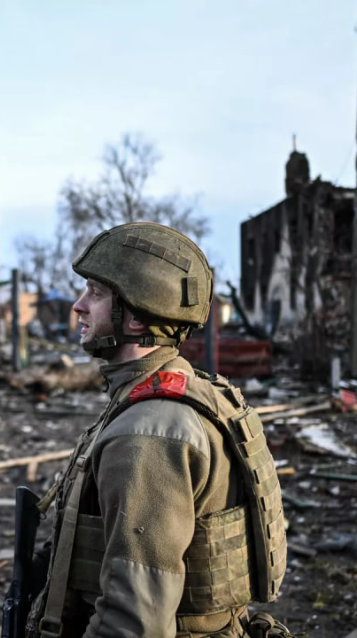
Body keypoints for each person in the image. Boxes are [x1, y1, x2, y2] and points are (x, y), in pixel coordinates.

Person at [24, 222, 287, 638]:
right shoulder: (181, 395)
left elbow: (134, 623)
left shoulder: (148, 434)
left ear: (134, 316)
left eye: (94, 293)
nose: (77, 306)